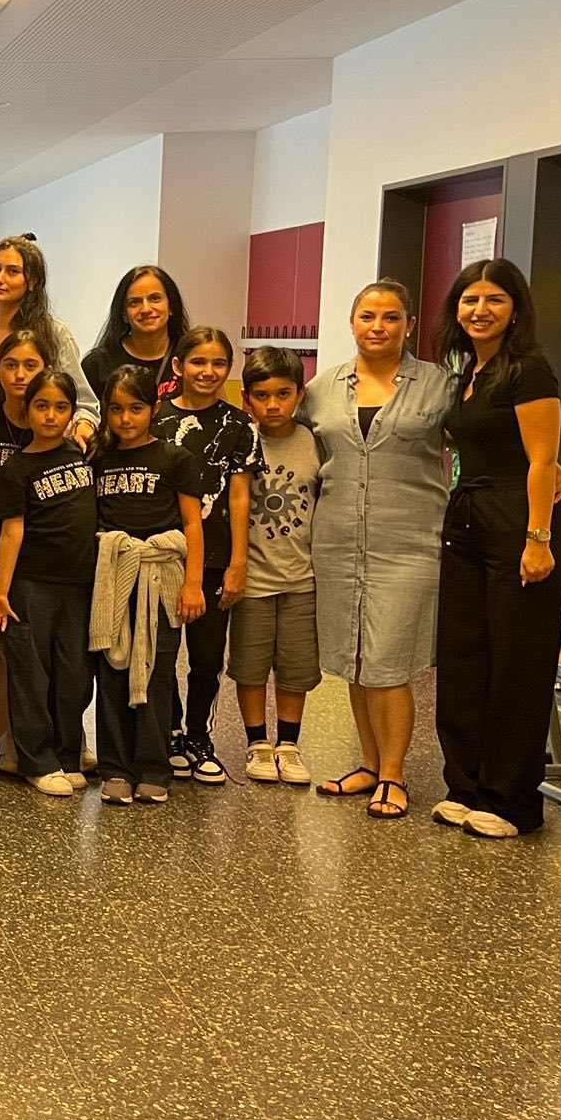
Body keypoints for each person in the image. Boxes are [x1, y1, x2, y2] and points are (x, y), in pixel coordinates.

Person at [430, 260, 561, 839]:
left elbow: (542, 459)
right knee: (463, 657)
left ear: (515, 309)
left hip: (521, 521)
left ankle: (511, 802)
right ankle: (465, 786)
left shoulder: (528, 369)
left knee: (518, 662)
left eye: (494, 300)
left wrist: (538, 538)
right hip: (467, 517)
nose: (480, 310)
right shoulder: (467, 372)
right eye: (470, 300)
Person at [308, 281, 454, 821]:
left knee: (389, 664)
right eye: (367, 316)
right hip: (337, 542)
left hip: (409, 543)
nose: (378, 327)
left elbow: (483, 441)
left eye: (391, 317)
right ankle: (368, 765)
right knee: (355, 659)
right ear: (352, 322)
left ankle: (393, 774)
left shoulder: (439, 386)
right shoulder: (321, 389)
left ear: (409, 325)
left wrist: (548, 468)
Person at [88, 366, 208, 806]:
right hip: (113, 575)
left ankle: (154, 767)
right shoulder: (98, 458)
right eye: (116, 409)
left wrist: (193, 583)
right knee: (112, 671)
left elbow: (192, 523)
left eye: (135, 408)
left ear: (154, 408)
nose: (125, 418)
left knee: (157, 674)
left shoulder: (176, 458)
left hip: (160, 577)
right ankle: (115, 768)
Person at [152, 326, 262, 786]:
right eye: (198, 361)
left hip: (216, 555)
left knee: (206, 657)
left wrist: (238, 563)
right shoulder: (154, 419)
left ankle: (200, 736)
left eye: (219, 363)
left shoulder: (239, 425)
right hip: (162, 556)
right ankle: (171, 732)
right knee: (161, 652)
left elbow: (239, 497)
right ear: (179, 366)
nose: (208, 371)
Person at [0, 368, 98, 796]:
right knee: (32, 674)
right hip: (32, 583)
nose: (51, 416)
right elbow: (10, 532)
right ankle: (37, 759)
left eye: (60, 407)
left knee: (74, 673)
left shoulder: (83, 454)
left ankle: (67, 754)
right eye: (42, 406)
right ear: (27, 410)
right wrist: (0, 591)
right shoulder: (17, 468)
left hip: (80, 584)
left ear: (72, 412)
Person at [227, 347, 318, 787]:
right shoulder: (241, 441)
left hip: (303, 577)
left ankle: (289, 744)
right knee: (250, 664)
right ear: (247, 399)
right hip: (254, 578)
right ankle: (257, 742)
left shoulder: (315, 442)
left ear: (300, 394)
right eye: (262, 396)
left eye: (283, 394)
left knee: (296, 667)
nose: (273, 405)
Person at [0, 328, 44, 776]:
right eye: (11, 365)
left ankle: (55, 734)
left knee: (42, 647)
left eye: (30, 365)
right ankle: (3, 737)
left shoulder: (53, 421)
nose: (20, 375)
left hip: (42, 551)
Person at [0, 235, 96, 439]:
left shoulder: (54, 334)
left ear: (32, 281)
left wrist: (83, 425)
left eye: (12, 271)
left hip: (39, 446)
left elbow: (84, 403)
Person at [80, 265, 192, 405]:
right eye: (135, 302)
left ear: (171, 307)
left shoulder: (191, 359)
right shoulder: (97, 364)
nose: (146, 309)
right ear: (123, 313)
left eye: (155, 298)